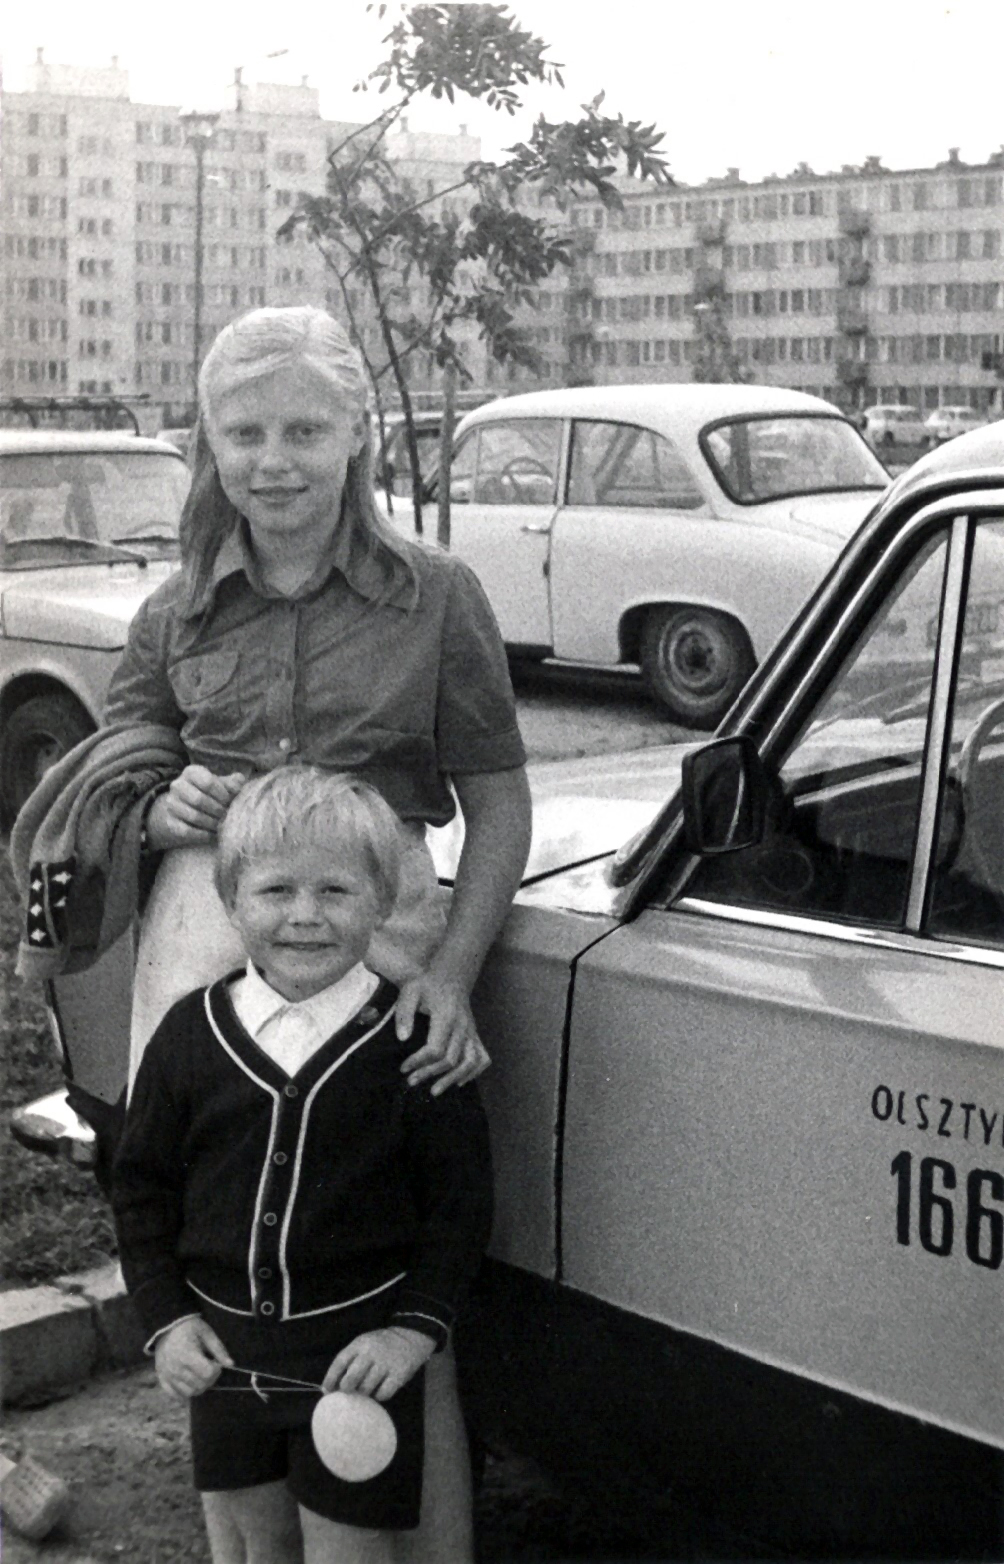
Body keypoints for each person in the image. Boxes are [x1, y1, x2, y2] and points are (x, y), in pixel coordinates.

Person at [102, 304, 532, 1558]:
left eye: (304, 428)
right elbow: (117, 773)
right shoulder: (173, 610)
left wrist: (450, 976)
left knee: (384, 1245)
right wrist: (156, 795)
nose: (273, 458)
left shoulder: (435, 596)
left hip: (383, 931)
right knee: (216, 1228)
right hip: (208, 929)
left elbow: (499, 799)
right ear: (208, 442)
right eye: (243, 431)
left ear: (358, 433)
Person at [112, 767, 494, 1564]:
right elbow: (142, 1188)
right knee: (251, 1549)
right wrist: (166, 1320)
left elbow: (459, 1210)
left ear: (383, 902)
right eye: (276, 891)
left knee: (351, 1552)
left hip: (358, 1366)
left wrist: (411, 1335)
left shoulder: (415, 1043)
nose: (305, 917)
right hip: (222, 1360)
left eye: (336, 892)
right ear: (231, 900)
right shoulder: (189, 1035)